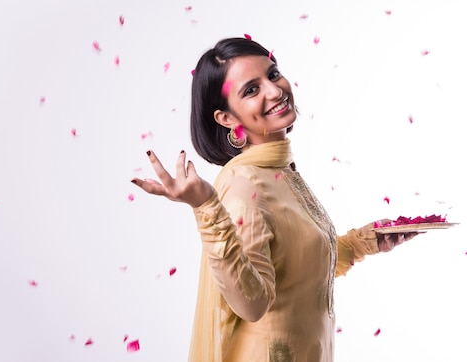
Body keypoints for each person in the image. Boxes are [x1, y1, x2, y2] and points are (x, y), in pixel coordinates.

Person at [130, 37, 418, 362]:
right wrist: (207, 207)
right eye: (251, 90)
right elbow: (253, 303)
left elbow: (297, 268)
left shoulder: (278, 170)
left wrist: (366, 242)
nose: (275, 90)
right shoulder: (244, 183)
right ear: (227, 118)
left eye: (273, 73)